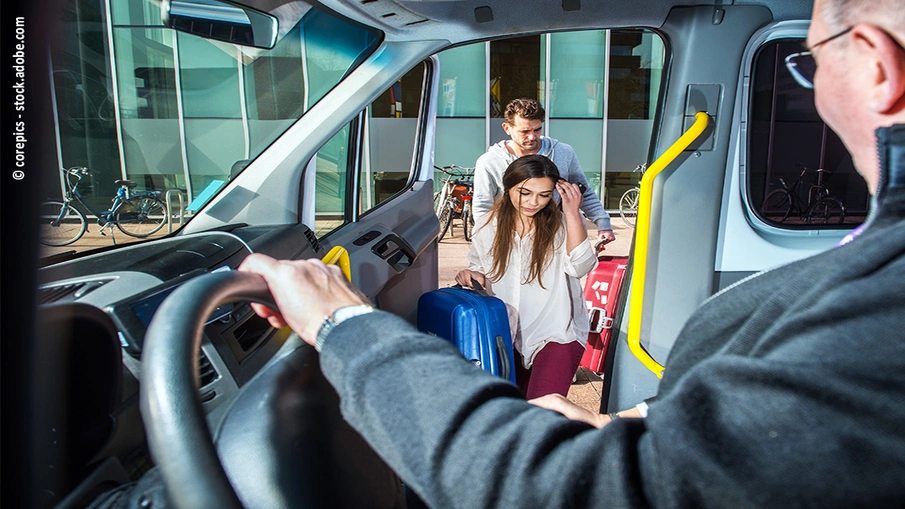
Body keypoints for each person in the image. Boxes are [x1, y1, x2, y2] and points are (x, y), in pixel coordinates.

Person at [239, 0, 905, 504]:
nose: (809, 85)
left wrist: (344, 321)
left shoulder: (877, 307)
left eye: (810, 59)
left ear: (876, 66)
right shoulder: (871, 276)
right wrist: (644, 422)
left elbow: (553, 483)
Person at [453, 155, 597, 399]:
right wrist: (472, 275)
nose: (533, 202)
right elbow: (480, 268)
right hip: (504, 335)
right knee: (513, 413)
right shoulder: (487, 226)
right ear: (508, 186)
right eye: (525, 192)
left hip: (556, 334)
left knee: (543, 411)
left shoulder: (562, 224)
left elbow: (581, 266)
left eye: (544, 194)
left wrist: (572, 213)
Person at [473, 98, 617, 244]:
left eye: (537, 129)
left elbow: (582, 191)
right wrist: (482, 242)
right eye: (524, 131)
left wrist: (603, 224)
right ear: (507, 128)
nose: (532, 136)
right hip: (511, 239)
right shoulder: (489, 162)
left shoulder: (563, 152)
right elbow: (482, 205)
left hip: (556, 236)